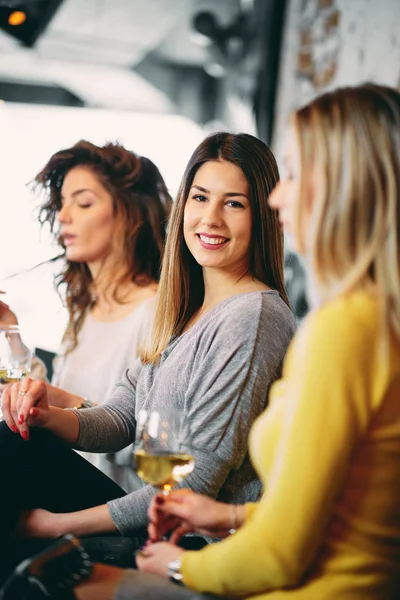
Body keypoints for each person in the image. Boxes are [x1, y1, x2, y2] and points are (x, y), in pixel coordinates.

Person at [71, 83, 400, 599]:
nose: (278, 196)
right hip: (247, 553)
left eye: (293, 173)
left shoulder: (336, 328)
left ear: (346, 186)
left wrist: (179, 568)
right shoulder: (360, 321)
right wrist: (228, 514)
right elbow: (317, 508)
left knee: (56, 577)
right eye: (200, 198)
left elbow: (278, 553)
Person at [0, 132, 296, 583]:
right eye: (200, 198)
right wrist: (47, 417)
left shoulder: (252, 317)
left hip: (194, 542)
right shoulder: (182, 310)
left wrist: (53, 525)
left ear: (264, 216)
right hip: (157, 519)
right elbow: (121, 417)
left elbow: (193, 485)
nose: (211, 218)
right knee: (17, 438)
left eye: (234, 203)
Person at [0, 140, 172, 492]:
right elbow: (39, 391)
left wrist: (57, 402)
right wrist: (8, 329)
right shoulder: (87, 307)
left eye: (83, 203)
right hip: (61, 479)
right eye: (62, 203)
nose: (63, 215)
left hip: (116, 502)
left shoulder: (155, 313)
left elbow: (154, 445)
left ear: (129, 213)